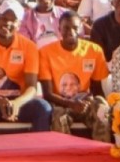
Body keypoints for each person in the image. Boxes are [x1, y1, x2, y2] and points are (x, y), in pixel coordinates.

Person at [0, 2, 52, 135]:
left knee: (43, 108)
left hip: (18, 103)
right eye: (4, 19)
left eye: (13, 20)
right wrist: (0, 102)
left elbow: (32, 87)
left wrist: (16, 103)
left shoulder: (29, 47)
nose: (8, 23)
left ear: (19, 24)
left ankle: (39, 151)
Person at [38, 10, 110, 140]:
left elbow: (97, 88)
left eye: (75, 28)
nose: (71, 32)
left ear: (81, 28)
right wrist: (71, 104)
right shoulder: (46, 52)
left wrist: (89, 101)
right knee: (59, 116)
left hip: (84, 101)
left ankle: (102, 150)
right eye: (66, 28)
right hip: (59, 102)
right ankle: (64, 155)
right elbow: (47, 94)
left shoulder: (94, 50)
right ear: (59, 29)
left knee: (102, 110)